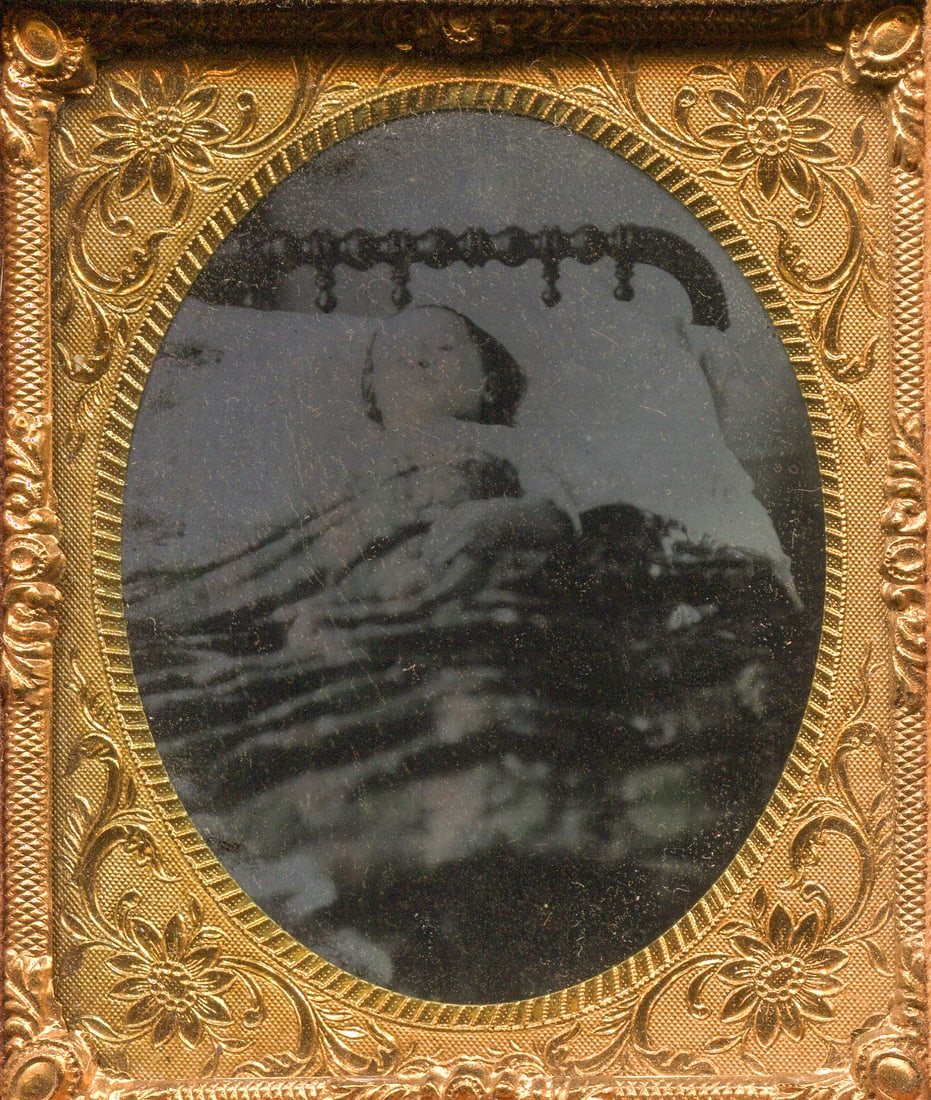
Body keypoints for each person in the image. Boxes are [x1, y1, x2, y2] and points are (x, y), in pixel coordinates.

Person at [126, 305, 815, 1004]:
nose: (420, 360)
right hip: (359, 600)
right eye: (397, 357)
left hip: (486, 587)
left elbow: (583, 512)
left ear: (488, 382)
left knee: (484, 670)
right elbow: (288, 554)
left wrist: (512, 516)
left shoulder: (523, 447)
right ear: (371, 396)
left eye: (444, 349)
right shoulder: (347, 464)